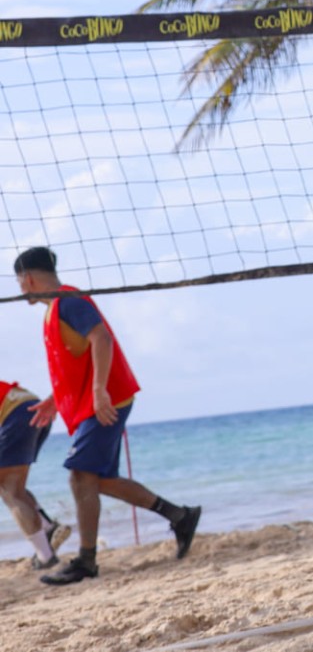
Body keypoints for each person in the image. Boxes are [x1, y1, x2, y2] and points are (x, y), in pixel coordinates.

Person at [15, 246, 201, 585]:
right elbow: (78, 359)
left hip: (104, 401)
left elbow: (101, 338)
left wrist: (100, 390)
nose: (20, 289)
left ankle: (86, 561)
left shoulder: (68, 301)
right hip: (95, 401)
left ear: (27, 279)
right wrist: (56, 399)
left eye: (18, 282)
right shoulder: (55, 308)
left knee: (79, 476)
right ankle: (180, 516)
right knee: (99, 480)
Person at [0, 375, 70, 568]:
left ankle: (45, 557)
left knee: (10, 490)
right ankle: (46, 527)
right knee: (13, 486)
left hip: (16, 413)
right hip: (33, 406)